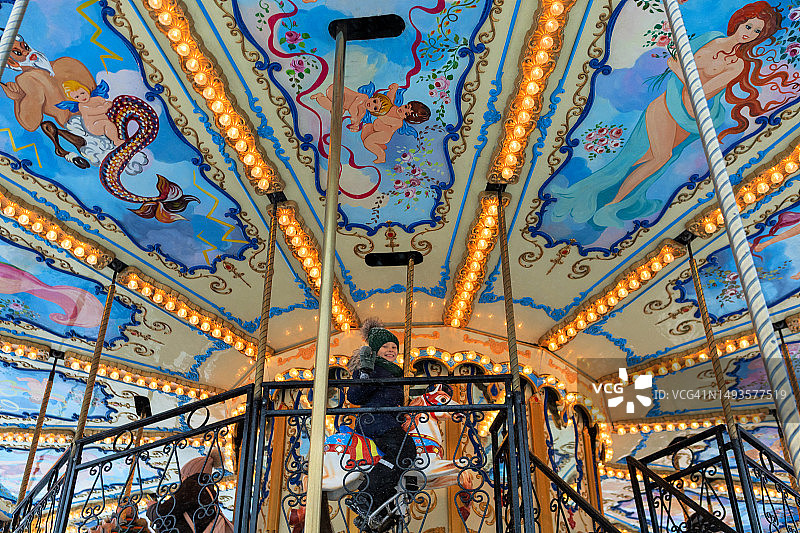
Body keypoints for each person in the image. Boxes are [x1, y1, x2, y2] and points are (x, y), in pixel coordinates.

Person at [550, 1, 795, 230]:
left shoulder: (737, 64)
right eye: (748, 25)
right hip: (669, 104)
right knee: (658, 157)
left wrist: (678, 69)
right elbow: (681, 66)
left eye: (756, 32)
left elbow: (700, 92)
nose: (749, 33)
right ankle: (609, 205)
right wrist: (680, 71)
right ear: (739, 21)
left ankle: (603, 197)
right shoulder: (711, 38)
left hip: (689, 119)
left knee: (646, 159)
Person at [346, 318, 416, 529]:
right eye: (385, 346)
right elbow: (354, 396)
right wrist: (365, 374)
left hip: (387, 421)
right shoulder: (371, 367)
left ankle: (378, 509)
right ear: (375, 350)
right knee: (406, 450)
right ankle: (366, 496)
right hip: (376, 422)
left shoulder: (393, 371)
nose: (391, 350)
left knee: (402, 454)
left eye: (394, 347)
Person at [58, 80, 123, 146]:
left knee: (116, 118)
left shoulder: (97, 98)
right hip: (94, 126)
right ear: (74, 99)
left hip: (106, 119)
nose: (82, 97)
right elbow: (97, 111)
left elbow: (109, 103)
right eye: (77, 97)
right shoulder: (82, 106)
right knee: (107, 124)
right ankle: (116, 141)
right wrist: (104, 107)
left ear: (87, 90)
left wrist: (107, 105)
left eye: (82, 93)